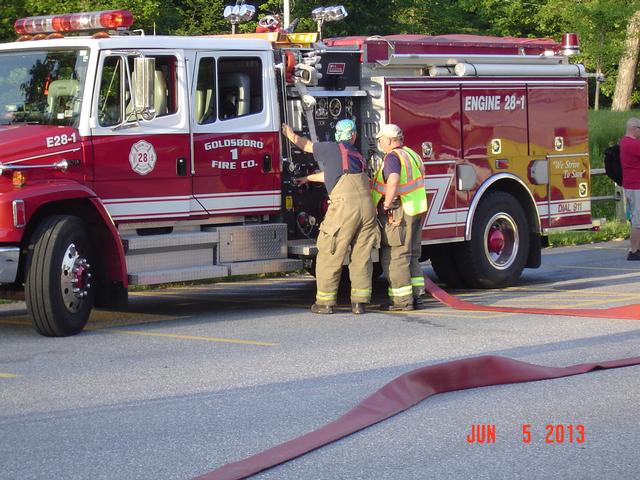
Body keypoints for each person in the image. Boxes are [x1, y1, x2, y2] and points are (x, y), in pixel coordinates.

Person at [281, 119, 378, 314]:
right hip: (367, 207)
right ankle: (359, 302)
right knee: (362, 256)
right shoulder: (357, 156)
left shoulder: (328, 148)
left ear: (336, 136)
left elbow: (305, 145)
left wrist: (289, 134)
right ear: (353, 136)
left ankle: (325, 303)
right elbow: (334, 175)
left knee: (329, 252)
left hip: (344, 208)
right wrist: (308, 178)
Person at [372, 124, 428, 310]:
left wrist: (387, 204)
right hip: (415, 209)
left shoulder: (392, 157)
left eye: (380, 140)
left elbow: (393, 180)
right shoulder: (412, 154)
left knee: (395, 256)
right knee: (411, 255)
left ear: (388, 140)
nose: (379, 143)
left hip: (399, 212)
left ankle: (401, 301)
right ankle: (417, 297)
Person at [620, 117, 640, 261]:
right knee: (637, 221)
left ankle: (636, 248)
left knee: (636, 219)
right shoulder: (632, 144)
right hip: (636, 186)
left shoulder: (624, 142)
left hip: (631, 185)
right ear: (634, 128)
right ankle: (633, 251)